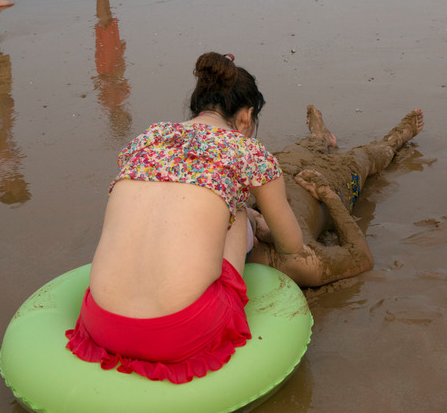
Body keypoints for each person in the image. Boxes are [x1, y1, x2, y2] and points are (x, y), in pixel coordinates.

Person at [65, 52, 311, 383]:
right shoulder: (247, 152)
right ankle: (247, 220)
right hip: (180, 333)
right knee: (236, 208)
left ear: (197, 106)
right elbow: (291, 245)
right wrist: (252, 219)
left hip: (102, 324)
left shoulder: (147, 139)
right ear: (246, 116)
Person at [248, 106, 423, 286]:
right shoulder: (294, 260)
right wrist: (328, 196)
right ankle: (396, 138)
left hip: (282, 165)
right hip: (331, 180)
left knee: (301, 148)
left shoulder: (234, 202)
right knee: (367, 157)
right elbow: (361, 258)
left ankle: (321, 137)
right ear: (255, 238)